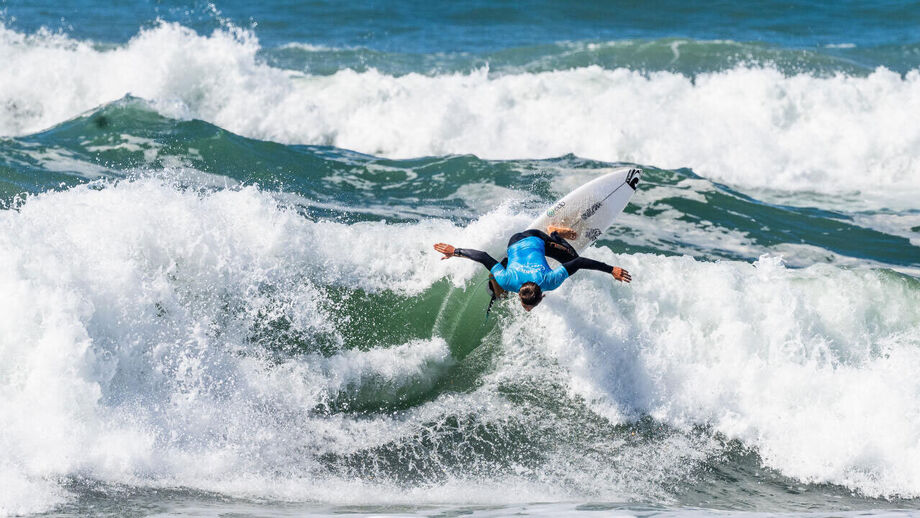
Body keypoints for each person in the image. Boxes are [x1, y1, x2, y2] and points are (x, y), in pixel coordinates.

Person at [434, 226, 631, 311]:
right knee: (573, 257)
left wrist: (611, 269)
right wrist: (455, 251)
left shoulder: (550, 281)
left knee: (573, 258)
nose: (527, 308)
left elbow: (579, 264)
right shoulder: (510, 281)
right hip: (524, 239)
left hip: (526, 239)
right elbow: (484, 257)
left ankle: (553, 234)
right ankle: (551, 234)